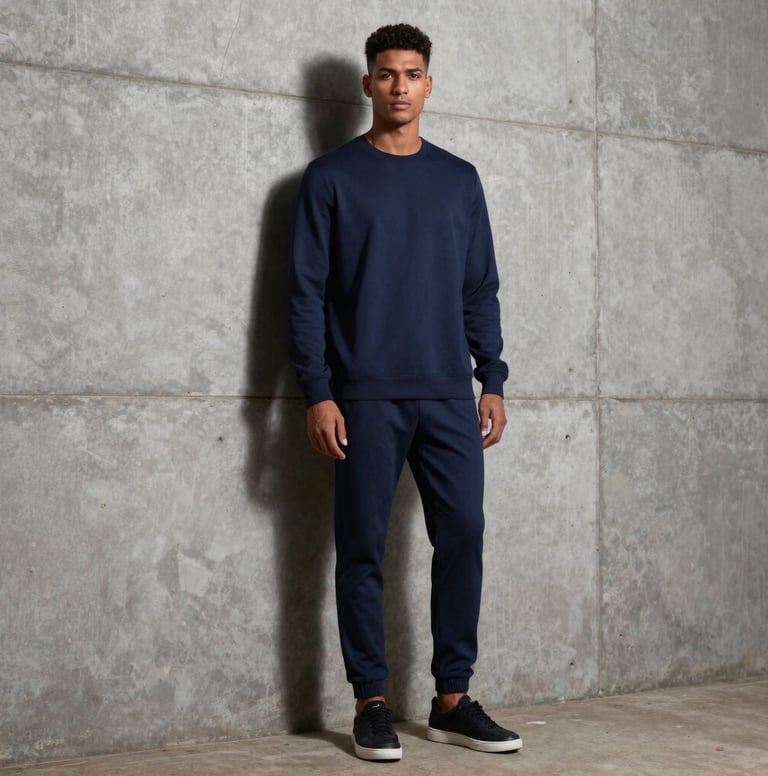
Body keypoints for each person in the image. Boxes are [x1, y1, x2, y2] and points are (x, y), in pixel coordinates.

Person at [288, 23, 521, 761]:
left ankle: (452, 698)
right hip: (363, 397)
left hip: (450, 396)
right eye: (385, 73)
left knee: (464, 536)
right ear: (367, 85)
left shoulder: (459, 179)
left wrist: (493, 377)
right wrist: (318, 393)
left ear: (429, 85)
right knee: (360, 549)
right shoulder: (330, 179)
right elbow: (304, 295)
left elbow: (478, 287)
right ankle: (370, 703)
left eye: (411, 73)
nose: (398, 85)